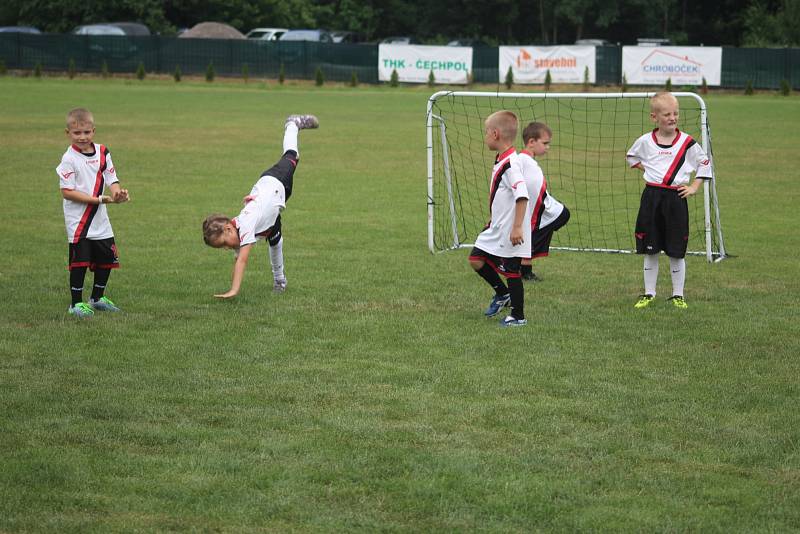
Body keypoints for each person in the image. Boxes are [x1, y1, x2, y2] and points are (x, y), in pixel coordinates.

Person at [202, 114, 319, 299]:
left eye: (224, 243)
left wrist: (233, 291)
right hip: (271, 209)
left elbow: (242, 260)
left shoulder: (246, 225)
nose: (226, 248)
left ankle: (293, 124)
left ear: (228, 228)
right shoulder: (238, 231)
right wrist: (230, 286)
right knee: (275, 241)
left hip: (275, 181)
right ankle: (280, 282)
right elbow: (237, 261)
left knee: (292, 155)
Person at [626, 92, 712, 309]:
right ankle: (649, 293)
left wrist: (694, 186)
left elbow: (704, 163)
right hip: (652, 198)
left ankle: (678, 295)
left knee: (676, 249)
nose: (672, 118)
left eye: (675, 113)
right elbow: (631, 158)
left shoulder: (687, 142)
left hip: (676, 199)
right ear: (654, 117)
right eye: (667, 114)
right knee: (651, 249)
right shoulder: (645, 141)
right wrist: (650, 169)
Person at [57, 108, 130, 318]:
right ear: (68, 133)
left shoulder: (103, 152)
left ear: (94, 131)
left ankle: (97, 298)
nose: (82, 137)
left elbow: (111, 179)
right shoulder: (68, 159)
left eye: (87, 132)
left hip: (100, 218)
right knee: (80, 261)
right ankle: (76, 304)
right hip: (79, 220)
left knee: (107, 257)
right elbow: (67, 192)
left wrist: (117, 194)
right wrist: (100, 199)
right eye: (77, 133)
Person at [468, 110, 530, 327]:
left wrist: (516, 227)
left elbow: (522, 195)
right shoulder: (502, 159)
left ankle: (518, 316)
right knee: (476, 259)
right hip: (497, 226)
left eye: (486, 132)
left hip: (511, 229)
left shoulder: (511, 164)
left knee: (512, 270)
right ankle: (502, 294)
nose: (484, 136)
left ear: (495, 134)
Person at [517, 121, 571, 282]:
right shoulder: (526, 162)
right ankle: (523, 267)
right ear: (532, 142)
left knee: (560, 215)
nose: (547, 147)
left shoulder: (525, 161)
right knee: (542, 226)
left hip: (537, 209)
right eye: (545, 143)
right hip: (532, 210)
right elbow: (534, 191)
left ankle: (522, 264)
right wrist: (532, 218)